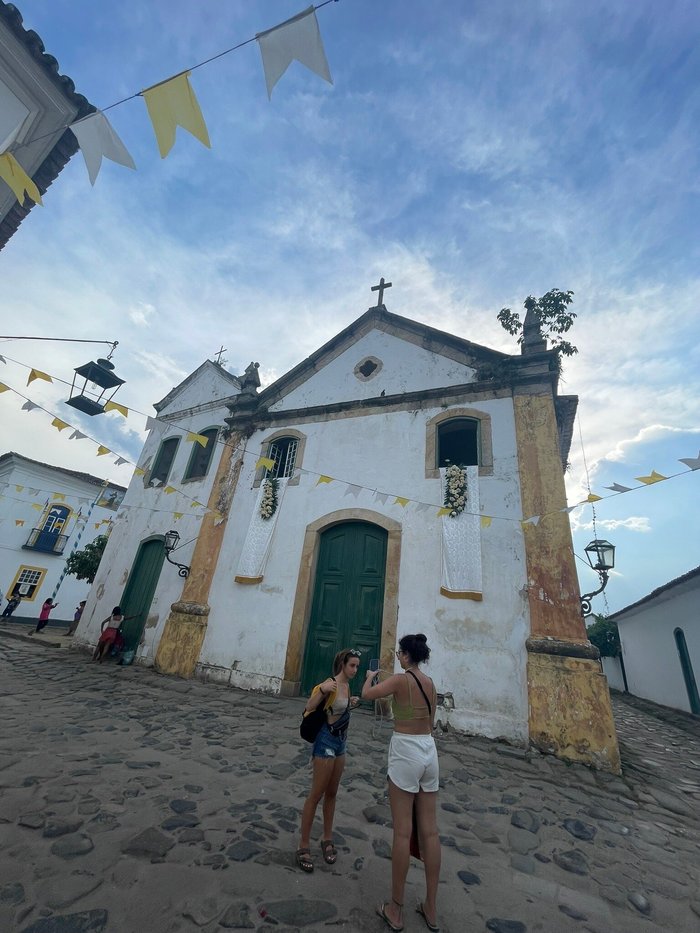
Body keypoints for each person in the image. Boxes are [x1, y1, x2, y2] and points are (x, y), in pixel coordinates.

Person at [362, 634, 440, 933]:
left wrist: (368, 678)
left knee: (402, 831)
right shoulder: (430, 684)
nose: (398, 657)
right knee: (431, 832)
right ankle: (431, 908)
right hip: (428, 751)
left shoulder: (399, 680)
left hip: (406, 750)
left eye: (399, 653)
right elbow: (429, 720)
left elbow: (368, 696)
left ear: (406, 655)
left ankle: (395, 909)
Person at [296, 648, 361, 873]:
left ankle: (326, 837)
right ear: (342, 664)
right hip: (325, 741)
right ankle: (303, 845)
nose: (355, 669)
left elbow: (339, 707)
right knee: (316, 794)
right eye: (352, 665)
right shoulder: (330, 684)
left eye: (357, 666)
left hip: (341, 742)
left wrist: (350, 702)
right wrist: (322, 689)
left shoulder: (346, 686)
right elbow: (310, 706)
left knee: (332, 793)